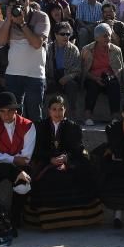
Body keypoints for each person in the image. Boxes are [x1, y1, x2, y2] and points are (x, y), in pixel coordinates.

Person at [26, 95, 102, 230]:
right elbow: (37, 149)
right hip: (46, 162)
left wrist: (66, 158)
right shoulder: (40, 126)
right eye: (54, 109)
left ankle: (73, 220)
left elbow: (78, 148)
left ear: (65, 110)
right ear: (48, 111)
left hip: (68, 161)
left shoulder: (73, 127)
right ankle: (48, 220)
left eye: (60, 109)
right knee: (48, 178)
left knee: (75, 175)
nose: (57, 113)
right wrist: (50, 159)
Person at [0, 91, 34, 229]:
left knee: (23, 184)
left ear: (16, 110)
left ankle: (15, 218)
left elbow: (26, 157)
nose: (5, 115)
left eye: (9, 111)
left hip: (17, 166)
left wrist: (11, 160)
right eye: (2, 111)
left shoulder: (28, 125)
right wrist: (13, 159)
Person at [0, 0, 49, 121]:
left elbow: (37, 44)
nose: (19, 7)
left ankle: (37, 142)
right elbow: (0, 42)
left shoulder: (41, 17)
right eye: (15, 4)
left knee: (35, 115)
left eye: (22, 2)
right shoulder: (9, 19)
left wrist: (22, 23)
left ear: (28, 1)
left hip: (35, 75)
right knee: (14, 117)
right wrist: (8, 20)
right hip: (13, 74)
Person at [80, 22, 123, 126]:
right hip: (92, 77)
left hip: (109, 77)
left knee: (114, 85)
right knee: (92, 86)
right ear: (97, 37)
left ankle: (115, 117)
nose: (108, 38)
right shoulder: (87, 49)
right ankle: (88, 116)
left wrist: (112, 76)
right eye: (105, 36)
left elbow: (120, 68)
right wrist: (95, 78)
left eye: (109, 35)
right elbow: (83, 70)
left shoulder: (116, 50)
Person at [46, 22, 81, 115]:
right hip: (51, 78)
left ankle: (72, 112)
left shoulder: (74, 49)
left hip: (67, 78)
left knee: (72, 85)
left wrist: (68, 77)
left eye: (68, 34)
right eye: (62, 34)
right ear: (56, 35)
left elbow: (77, 69)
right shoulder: (48, 48)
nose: (66, 36)